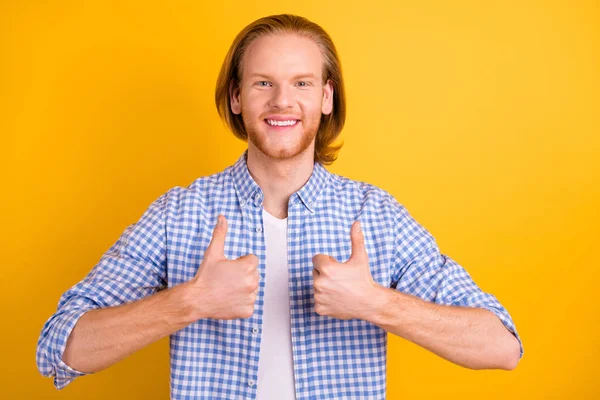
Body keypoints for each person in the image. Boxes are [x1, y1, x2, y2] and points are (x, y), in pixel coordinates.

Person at [36, 13, 524, 399]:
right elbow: (59, 347)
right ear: (236, 98)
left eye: (303, 83)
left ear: (327, 97)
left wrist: (377, 303)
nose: (282, 101)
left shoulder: (374, 215)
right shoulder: (179, 214)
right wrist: (191, 301)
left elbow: (501, 344)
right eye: (262, 83)